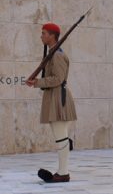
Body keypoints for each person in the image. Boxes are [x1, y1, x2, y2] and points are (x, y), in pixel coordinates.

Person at [26, 23, 77, 183]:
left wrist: (38, 82)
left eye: (44, 33)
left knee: (61, 137)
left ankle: (63, 173)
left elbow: (58, 79)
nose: (41, 36)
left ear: (52, 35)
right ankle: (62, 172)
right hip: (53, 97)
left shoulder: (58, 55)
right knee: (60, 137)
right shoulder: (52, 53)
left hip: (58, 98)